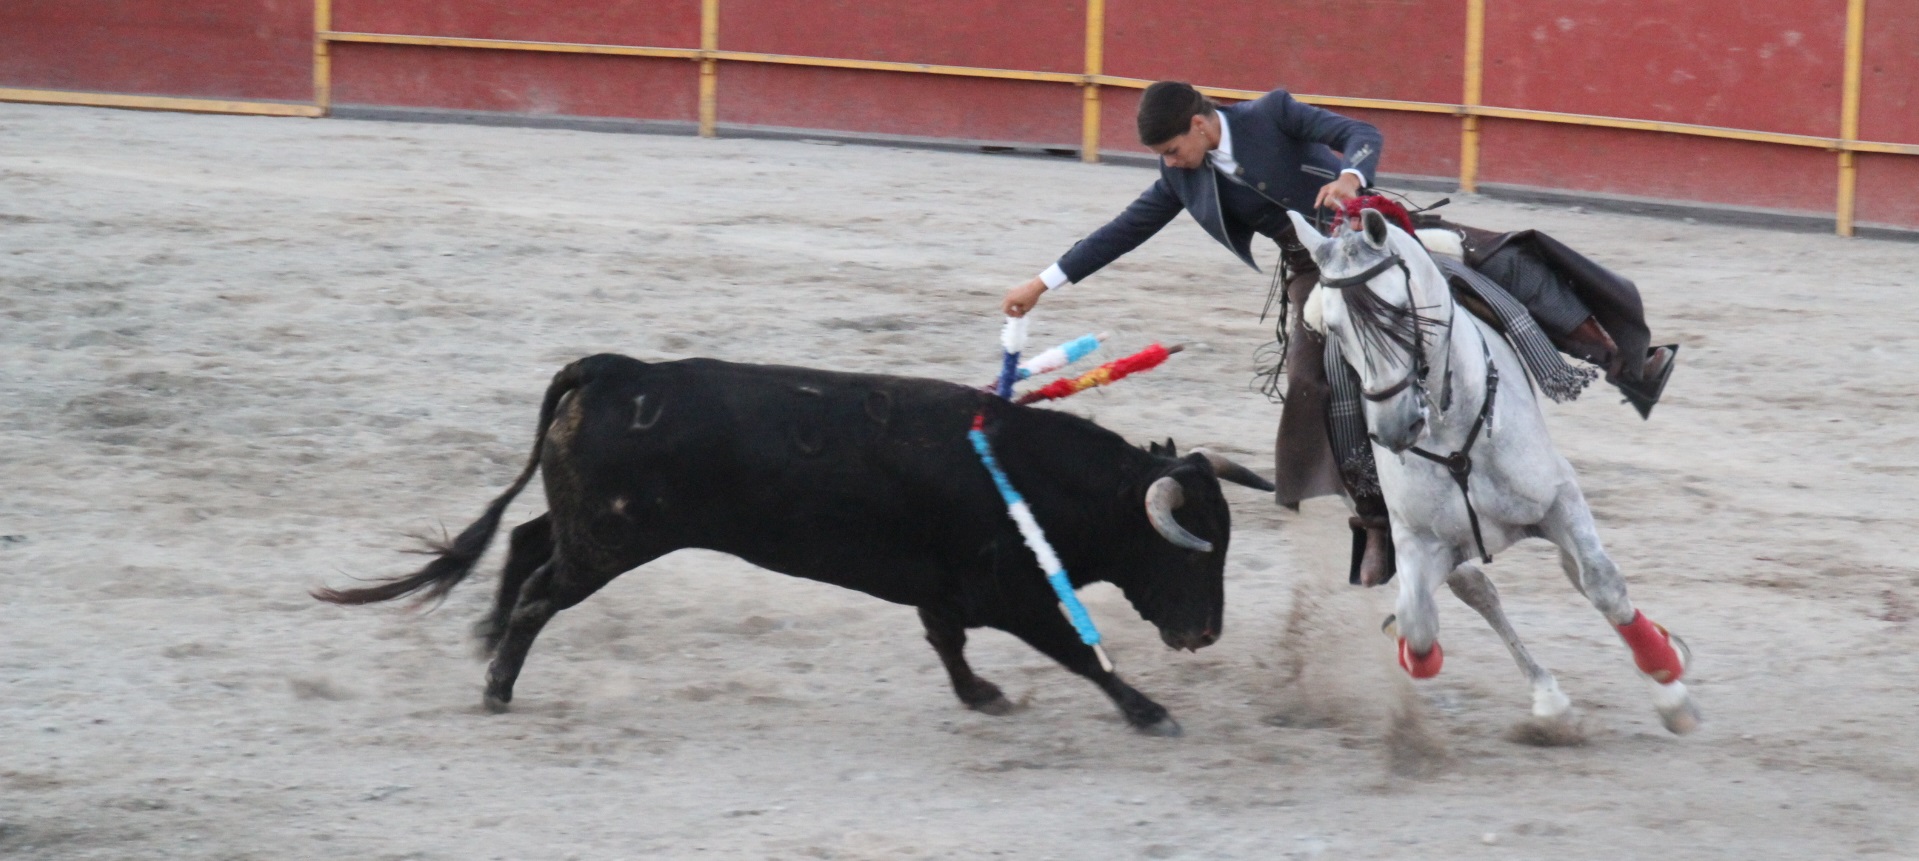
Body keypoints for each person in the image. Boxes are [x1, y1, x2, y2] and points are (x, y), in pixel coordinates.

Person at [1003, 80, 1675, 587]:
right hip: (1313, 269)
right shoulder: (1181, 179)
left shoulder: (1271, 113)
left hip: (1374, 233)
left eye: (1173, 149)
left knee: (1502, 259)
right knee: (1312, 380)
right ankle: (1376, 519)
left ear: (1201, 124)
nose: (1171, 163)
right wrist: (1043, 281)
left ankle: (1620, 360)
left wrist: (1351, 177)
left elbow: (1360, 132)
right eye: (1163, 156)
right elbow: (1122, 231)